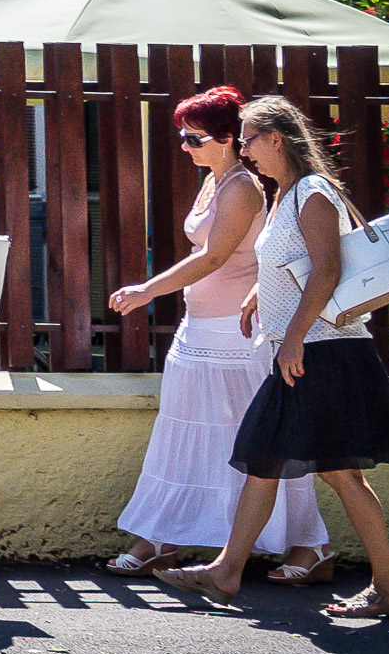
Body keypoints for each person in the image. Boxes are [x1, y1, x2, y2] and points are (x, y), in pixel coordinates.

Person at [155, 96, 389, 619]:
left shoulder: (313, 192)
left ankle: (386, 588)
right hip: (302, 352)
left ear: (276, 139)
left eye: (250, 139)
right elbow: (293, 262)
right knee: (270, 460)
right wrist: (262, 292)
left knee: (331, 472)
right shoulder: (285, 194)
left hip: (322, 354)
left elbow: (327, 269)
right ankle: (229, 572)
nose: (244, 149)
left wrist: (295, 336)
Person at [104, 87, 331, 580]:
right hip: (199, 331)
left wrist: (146, 290)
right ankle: (160, 538)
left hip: (236, 334)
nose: (185, 146)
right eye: (182, 137)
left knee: (261, 438)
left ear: (228, 139)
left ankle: (310, 546)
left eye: (195, 138)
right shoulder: (213, 181)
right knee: (182, 434)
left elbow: (214, 257)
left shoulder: (242, 187)